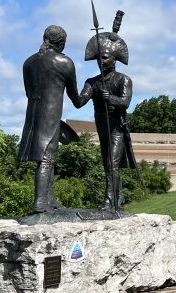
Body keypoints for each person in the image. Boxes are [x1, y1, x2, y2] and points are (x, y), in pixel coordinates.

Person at [18, 25, 82, 213]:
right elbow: (76, 99)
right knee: (46, 159)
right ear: (61, 42)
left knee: (45, 158)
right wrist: (90, 91)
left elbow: (29, 92)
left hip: (33, 115)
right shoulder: (64, 62)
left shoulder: (28, 63)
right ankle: (40, 202)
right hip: (50, 116)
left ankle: (50, 199)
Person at [78, 30, 136, 210]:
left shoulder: (123, 80)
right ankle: (118, 197)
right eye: (98, 58)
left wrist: (109, 98)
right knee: (107, 164)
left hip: (117, 128)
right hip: (102, 127)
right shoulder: (92, 82)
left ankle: (110, 200)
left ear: (114, 59)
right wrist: (66, 82)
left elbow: (125, 102)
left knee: (112, 163)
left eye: (104, 58)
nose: (100, 62)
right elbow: (80, 101)